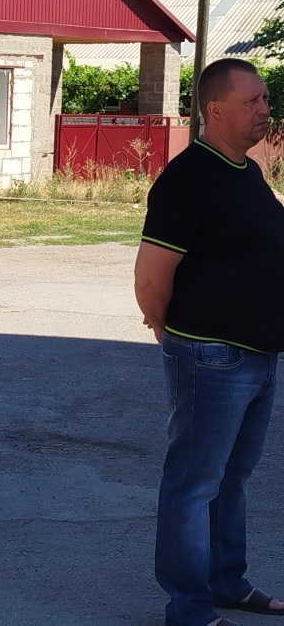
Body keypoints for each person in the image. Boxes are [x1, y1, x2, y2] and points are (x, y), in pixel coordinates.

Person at [134, 58, 284, 626]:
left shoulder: (244, 170)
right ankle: (189, 607)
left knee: (233, 479)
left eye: (265, 98)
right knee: (193, 484)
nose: (265, 109)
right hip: (211, 356)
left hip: (258, 354)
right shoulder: (188, 178)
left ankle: (226, 583)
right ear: (215, 109)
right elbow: (151, 278)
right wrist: (167, 328)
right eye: (253, 101)